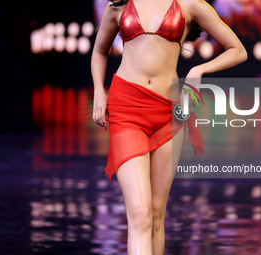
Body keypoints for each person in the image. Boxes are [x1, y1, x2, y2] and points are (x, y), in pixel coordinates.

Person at [91, 0, 247, 254]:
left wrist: (198, 71)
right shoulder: (118, 5)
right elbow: (99, 52)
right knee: (140, 215)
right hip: (127, 109)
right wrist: (99, 89)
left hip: (169, 113)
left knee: (155, 215)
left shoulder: (190, 4)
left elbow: (238, 49)